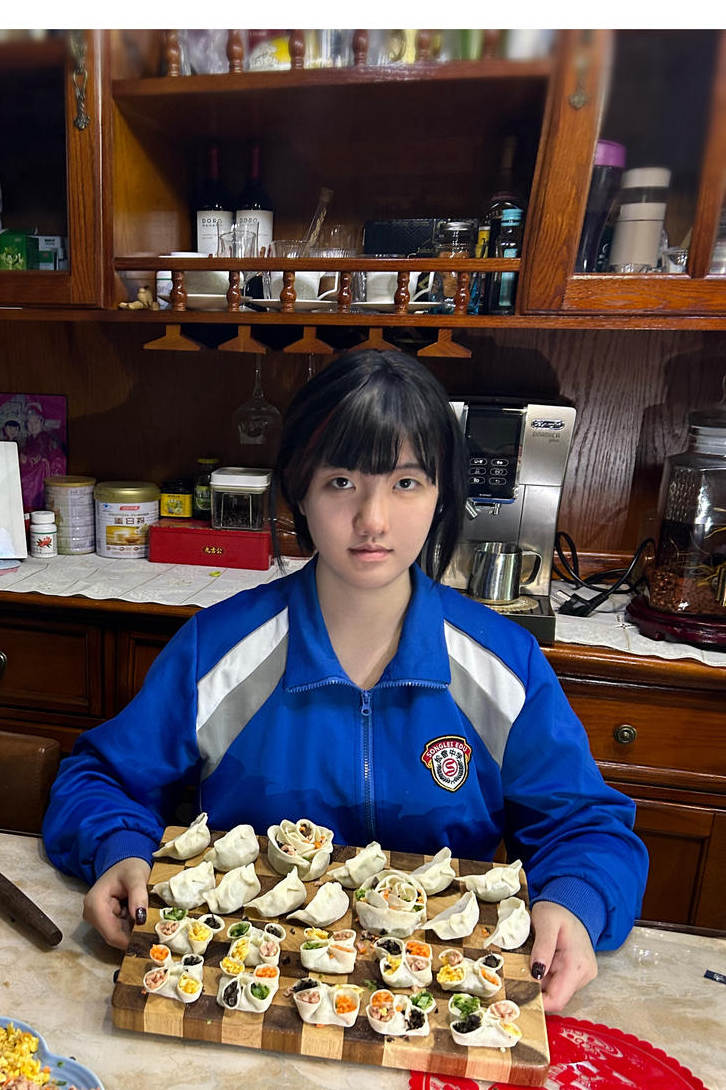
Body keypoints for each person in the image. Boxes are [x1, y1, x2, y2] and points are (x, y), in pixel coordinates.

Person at [42, 350, 648, 1013]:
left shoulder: (506, 665)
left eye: (407, 483)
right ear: (299, 488)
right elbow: (98, 777)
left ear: (443, 493)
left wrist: (575, 901)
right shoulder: (215, 650)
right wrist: (118, 849)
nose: (374, 520)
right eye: (341, 482)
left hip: (438, 1002)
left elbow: (588, 827)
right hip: (243, 996)